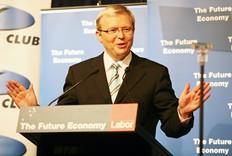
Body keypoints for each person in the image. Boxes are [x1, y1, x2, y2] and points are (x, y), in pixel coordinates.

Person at [7, 4, 211, 155]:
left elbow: (172, 127)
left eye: (126, 29)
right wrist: (33, 112)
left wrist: (182, 112)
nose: (121, 36)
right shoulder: (79, 73)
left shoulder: (154, 73)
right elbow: (64, 127)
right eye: (112, 30)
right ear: (99, 35)